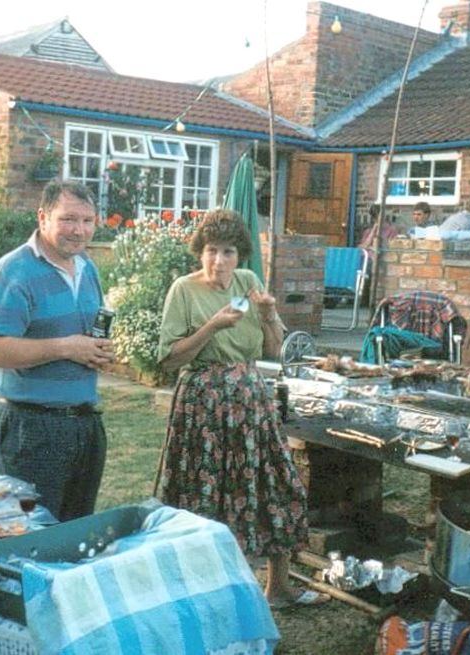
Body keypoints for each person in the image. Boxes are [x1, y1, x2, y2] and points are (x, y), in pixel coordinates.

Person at [155, 209, 325, 609]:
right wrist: (211, 327)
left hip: (250, 401)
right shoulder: (184, 290)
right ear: (200, 251)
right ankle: (203, 592)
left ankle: (278, 587)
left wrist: (268, 315)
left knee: (274, 485)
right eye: (212, 250)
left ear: (241, 255)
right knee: (205, 495)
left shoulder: (249, 282)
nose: (220, 261)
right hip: (204, 405)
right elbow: (168, 360)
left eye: (229, 251)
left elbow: (271, 349)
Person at [0, 180, 114, 522]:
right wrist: (67, 347)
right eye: (68, 219)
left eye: (87, 220)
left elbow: (83, 335)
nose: (79, 230)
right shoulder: (12, 272)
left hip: (84, 424)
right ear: (42, 217)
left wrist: (96, 351)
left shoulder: (87, 268)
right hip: (31, 429)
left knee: (75, 534)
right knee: (32, 537)